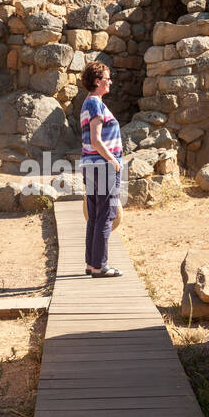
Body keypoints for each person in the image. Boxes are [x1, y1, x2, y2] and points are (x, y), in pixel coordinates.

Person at [79, 61, 124, 277]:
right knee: (105, 215)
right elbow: (96, 139)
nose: (110, 81)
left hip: (91, 165)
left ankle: (91, 263)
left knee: (96, 215)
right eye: (107, 78)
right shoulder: (95, 104)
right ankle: (100, 266)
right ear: (98, 81)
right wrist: (113, 161)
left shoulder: (87, 103)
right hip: (103, 166)